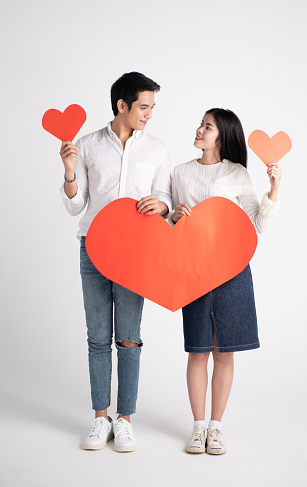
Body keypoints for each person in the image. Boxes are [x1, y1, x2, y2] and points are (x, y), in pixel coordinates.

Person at [59, 72, 171, 452]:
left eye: (152, 107)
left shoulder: (156, 149)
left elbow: (166, 200)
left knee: (128, 339)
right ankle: (100, 419)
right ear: (122, 105)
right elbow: (76, 204)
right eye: (144, 106)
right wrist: (70, 171)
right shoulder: (88, 145)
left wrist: (164, 205)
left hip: (134, 253)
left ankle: (125, 421)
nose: (149, 114)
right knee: (96, 339)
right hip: (92, 248)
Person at [171, 108, 282, 455]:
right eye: (201, 125)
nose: (200, 130)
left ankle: (216, 428)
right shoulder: (180, 172)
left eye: (207, 127)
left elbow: (256, 226)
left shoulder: (237, 174)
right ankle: (198, 427)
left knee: (224, 352)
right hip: (194, 270)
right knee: (197, 350)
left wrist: (274, 190)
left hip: (232, 270)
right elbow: (173, 227)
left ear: (222, 136)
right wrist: (175, 215)